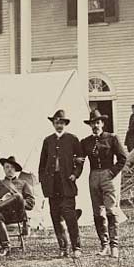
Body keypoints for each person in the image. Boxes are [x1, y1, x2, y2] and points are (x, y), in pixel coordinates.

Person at [81, 110, 128, 258]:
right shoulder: (85, 142)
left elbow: (122, 158)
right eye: (92, 123)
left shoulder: (112, 138)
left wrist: (112, 172)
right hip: (93, 176)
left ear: (102, 123)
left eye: (97, 122)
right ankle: (104, 245)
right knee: (97, 213)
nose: (95, 125)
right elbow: (79, 159)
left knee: (111, 211)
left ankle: (114, 246)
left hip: (108, 176)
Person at [39, 109, 84, 257]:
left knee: (70, 216)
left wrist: (75, 174)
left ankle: (76, 247)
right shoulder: (48, 141)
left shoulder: (73, 139)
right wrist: (43, 181)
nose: (59, 125)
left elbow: (80, 160)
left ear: (65, 124)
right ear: (53, 123)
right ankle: (63, 247)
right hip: (52, 184)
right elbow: (42, 164)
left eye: (62, 123)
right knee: (55, 216)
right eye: (56, 122)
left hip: (67, 183)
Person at [0, 156, 35, 257]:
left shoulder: (23, 184)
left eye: (12, 167)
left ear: (15, 170)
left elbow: (31, 203)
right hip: (3, 213)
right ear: (4, 169)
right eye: (7, 167)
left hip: (18, 214)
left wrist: (19, 201)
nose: (9, 169)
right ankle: (6, 247)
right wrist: (0, 201)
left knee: (17, 196)